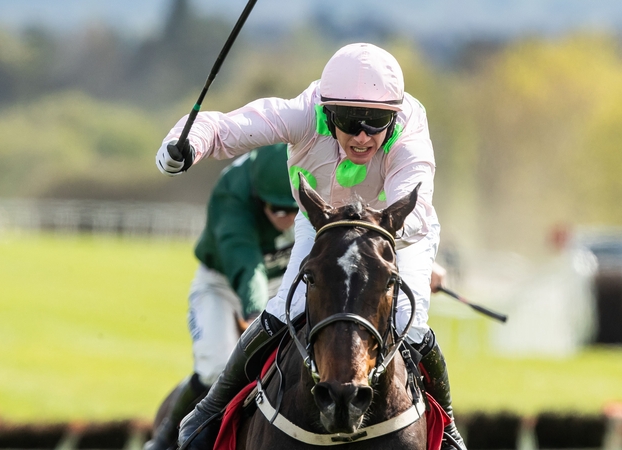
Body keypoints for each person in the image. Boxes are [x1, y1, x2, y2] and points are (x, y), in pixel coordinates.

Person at [155, 42, 465, 450]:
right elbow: (227, 127)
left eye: (376, 123)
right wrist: (184, 143)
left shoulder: (411, 127)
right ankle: (209, 409)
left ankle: (450, 431)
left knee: (411, 321)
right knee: (287, 307)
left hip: (396, 231)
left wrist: (369, 243)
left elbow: (414, 210)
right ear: (326, 110)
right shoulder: (303, 112)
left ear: (394, 116)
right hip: (323, 226)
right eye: (350, 119)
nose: (361, 135)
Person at [145, 144, 298, 450]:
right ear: (257, 198)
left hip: (287, 282)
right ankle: (163, 440)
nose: (289, 218)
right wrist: (257, 314)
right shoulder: (232, 195)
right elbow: (247, 264)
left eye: (295, 209)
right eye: (278, 210)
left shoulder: (317, 176)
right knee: (216, 365)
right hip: (224, 284)